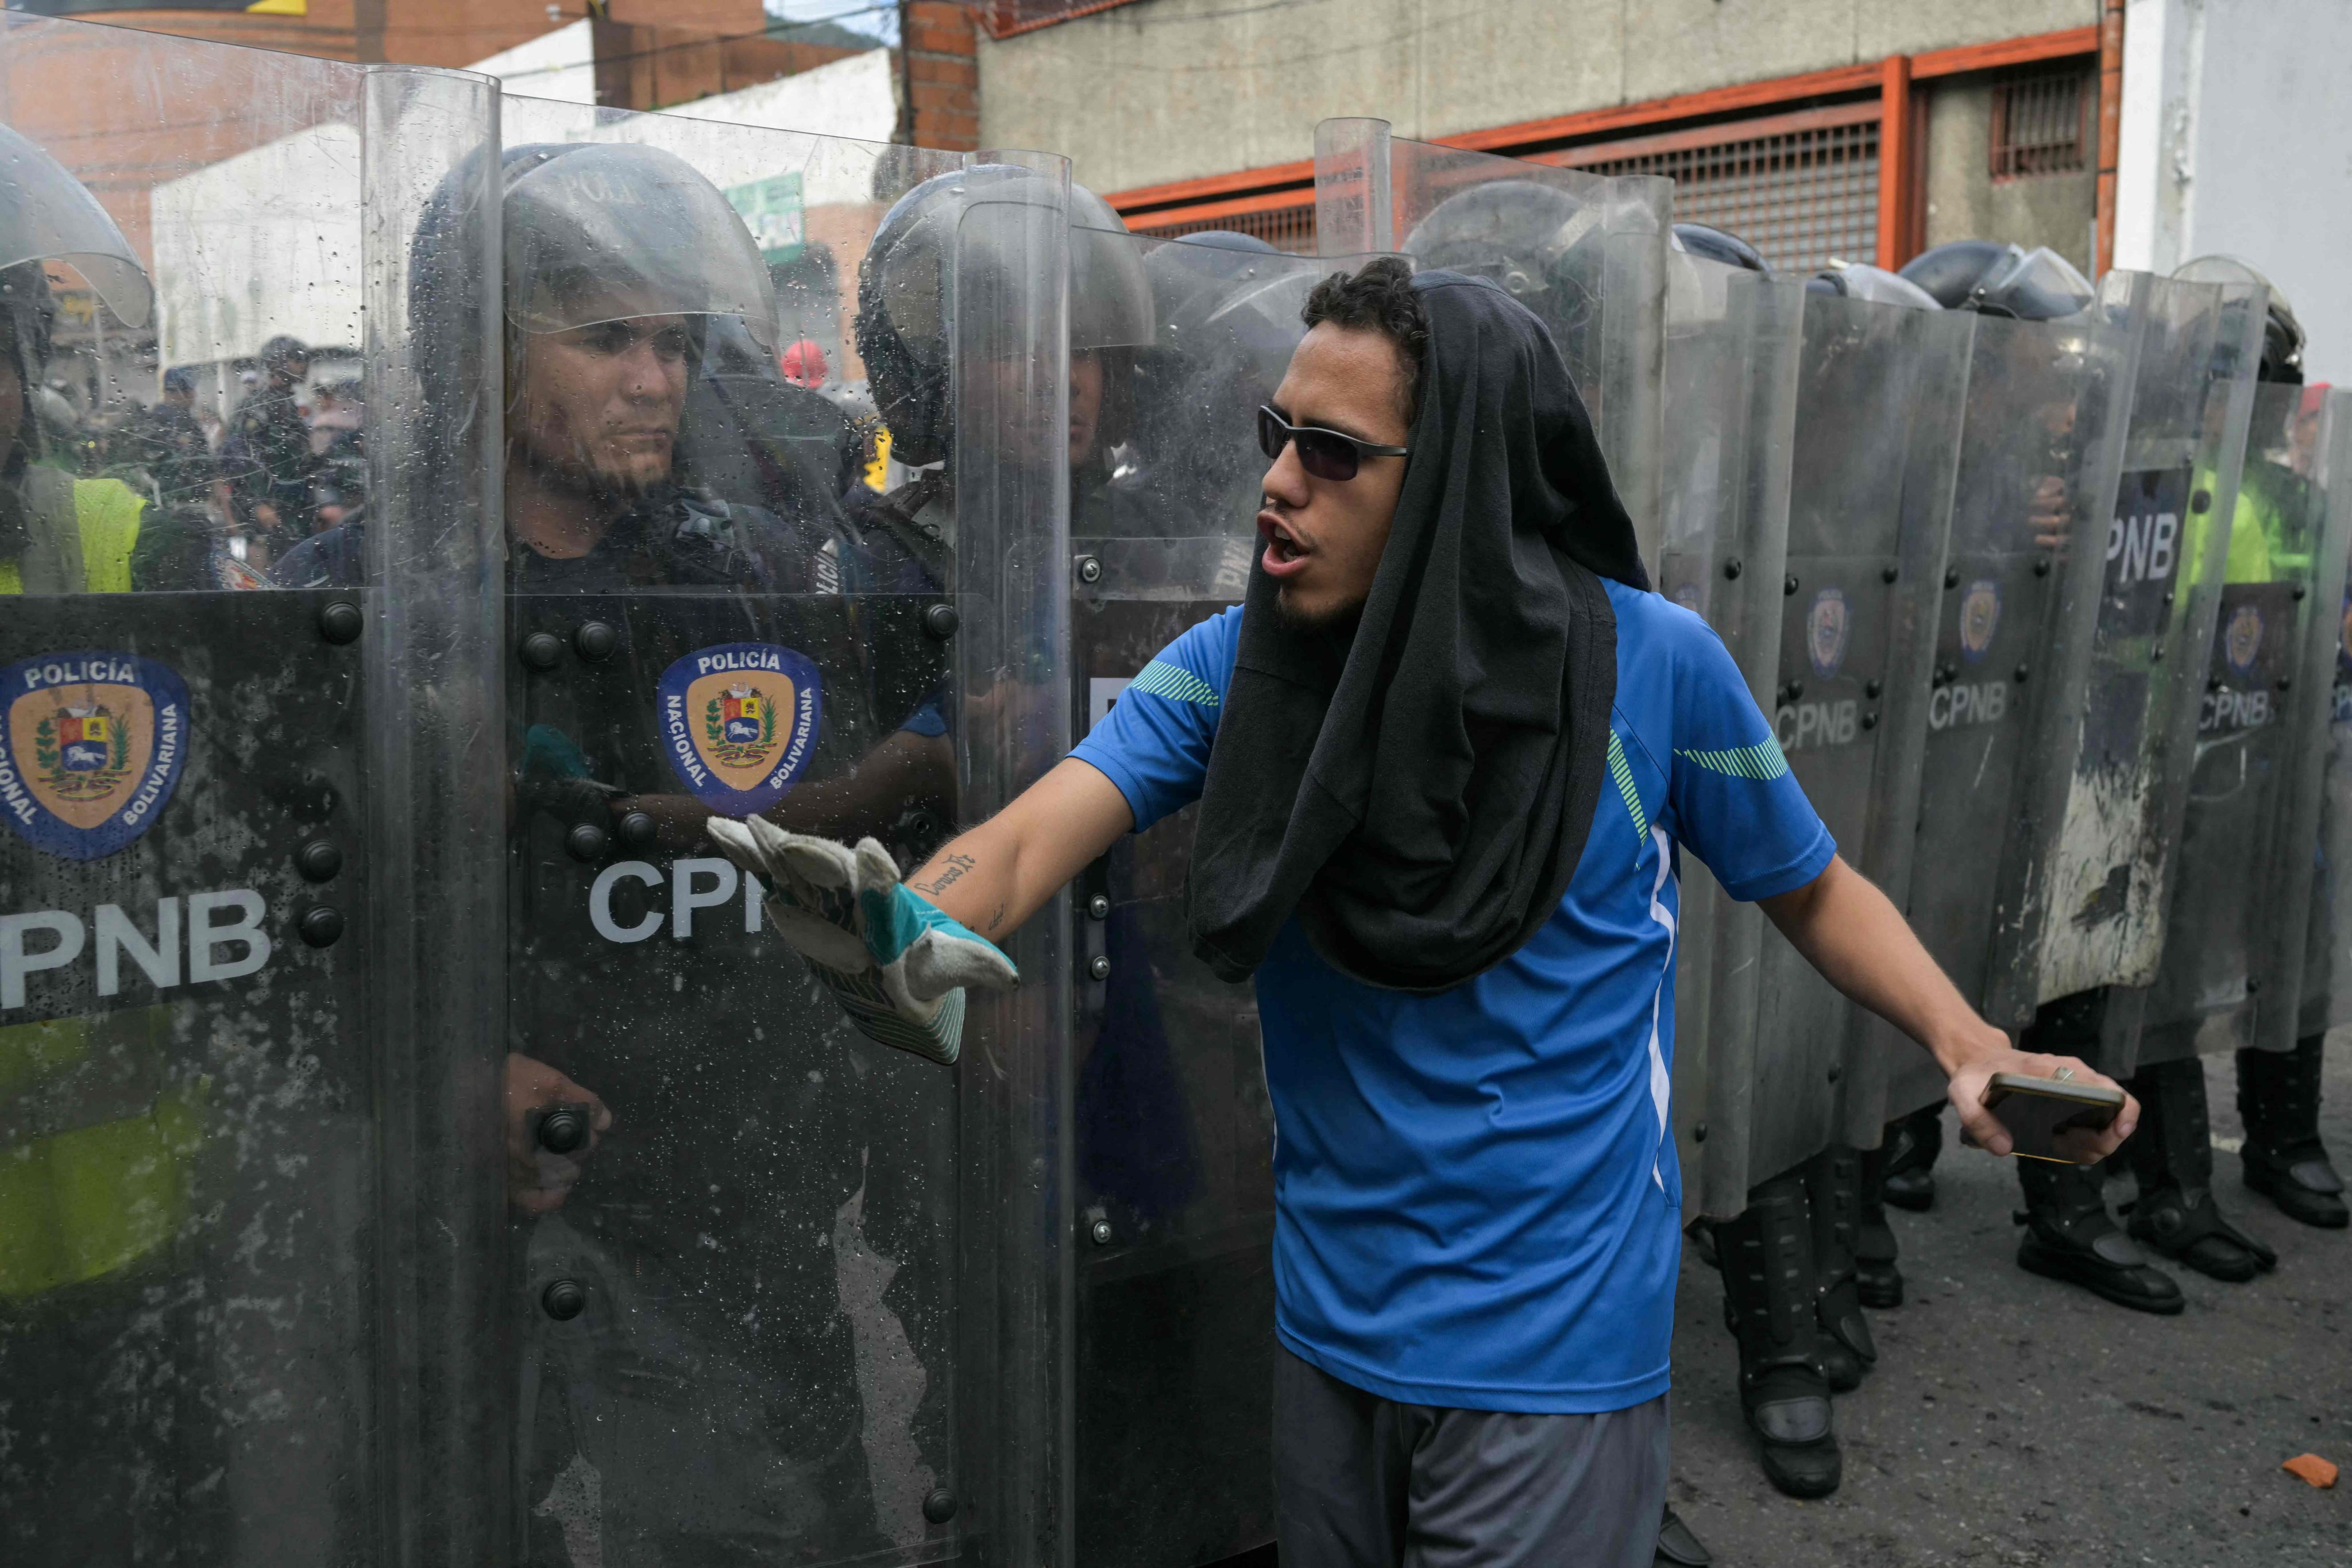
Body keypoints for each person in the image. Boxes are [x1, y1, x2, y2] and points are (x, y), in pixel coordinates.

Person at [712, 258, 2141, 1566]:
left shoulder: (1653, 670)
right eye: (1276, 435)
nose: (1278, 482)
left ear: (1457, 472)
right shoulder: (1239, 672)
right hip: (1329, 1320)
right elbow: (1031, 836)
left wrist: (1964, 1040)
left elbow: (1810, 881)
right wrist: (907, 927)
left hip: (1557, 1343)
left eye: (1332, 456)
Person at [220, 333, 316, 558]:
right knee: (269, 572)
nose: (305, 367)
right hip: (270, 508)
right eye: (298, 360)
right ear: (279, 363)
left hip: (292, 504)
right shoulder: (260, 405)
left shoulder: (286, 403)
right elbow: (241, 459)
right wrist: (259, 505)